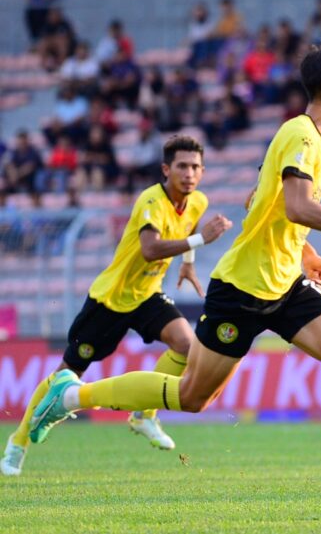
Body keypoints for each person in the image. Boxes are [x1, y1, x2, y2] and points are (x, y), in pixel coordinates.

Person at [28, 46, 321, 520]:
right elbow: (295, 205)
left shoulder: (308, 138)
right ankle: (69, 395)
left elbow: (261, 202)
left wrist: (306, 252)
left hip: (285, 285)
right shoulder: (302, 137)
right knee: (193, 395)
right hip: (242, 291)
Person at [2, 136, 232, 477]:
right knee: (67, 374)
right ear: (166, 169)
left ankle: (143, 416)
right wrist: (201, 240)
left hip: (147, 295)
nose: (189, 173)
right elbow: (151, 249)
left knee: (187, 346)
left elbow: (189, 226)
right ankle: (18, 441)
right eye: (182, 166)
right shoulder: (151, 200)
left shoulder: (197, 201)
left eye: (196, 166)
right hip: (110, 299)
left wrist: (188, 261)